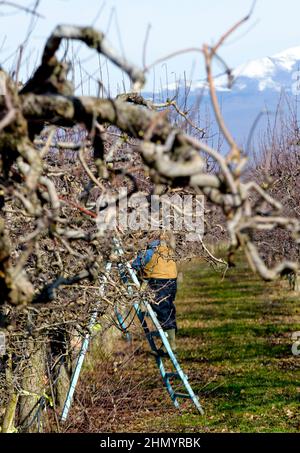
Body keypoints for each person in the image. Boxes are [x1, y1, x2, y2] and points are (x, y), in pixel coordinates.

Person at [132, 231, 178, 354]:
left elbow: (138, 263)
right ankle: (169, 342)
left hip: (159, 281)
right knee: (168, 309)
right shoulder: (167, 248)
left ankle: (170, 345)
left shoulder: (151, 249)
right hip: (171, 280)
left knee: (162, 309)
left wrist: (131, 266)